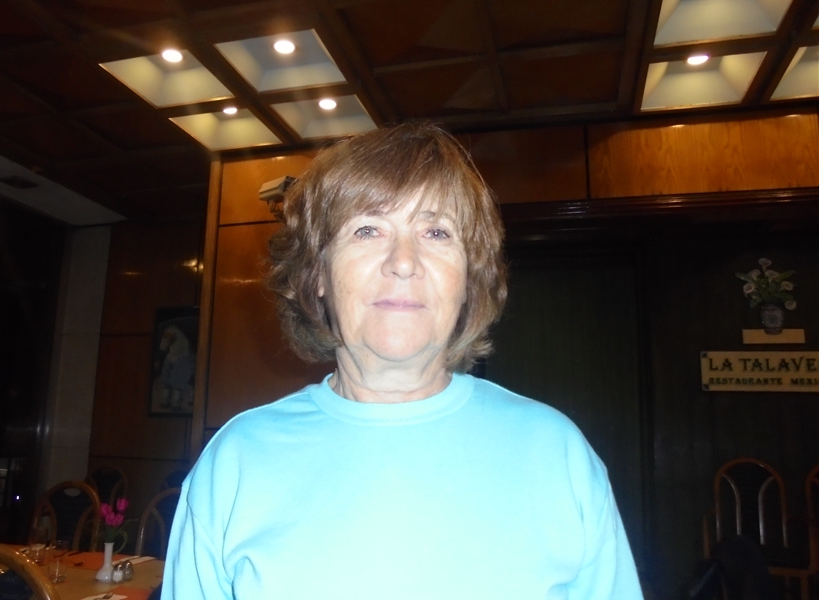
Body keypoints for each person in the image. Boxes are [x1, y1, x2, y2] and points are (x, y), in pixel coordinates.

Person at [162, 122, 643, 599]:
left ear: (468, 279)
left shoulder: (556, 452)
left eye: (436, 232)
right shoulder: (236, 461)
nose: (404, 261)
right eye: (367, 229)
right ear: (317, 275)